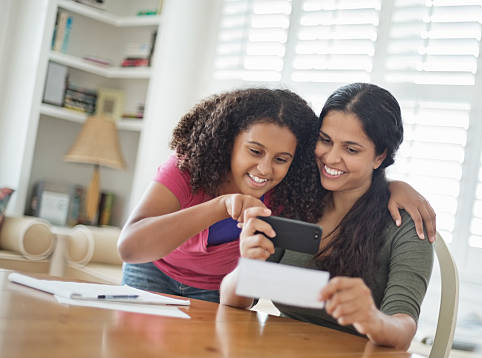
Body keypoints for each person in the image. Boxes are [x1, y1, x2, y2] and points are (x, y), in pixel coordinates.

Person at [119, 88, 434, 304]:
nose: (265, 169)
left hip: (220, 289)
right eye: (254, 151)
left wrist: (392, 184)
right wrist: (220, 206)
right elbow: (131, 247)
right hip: (153, 271)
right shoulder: (191, 166)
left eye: (282, 158)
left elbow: (352, 176)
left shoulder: (291, 187)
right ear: (229, 140)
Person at [221, 83, 433, 350]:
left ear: (380, 156)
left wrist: (372, 318)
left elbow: (403, 330)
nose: (331, 158)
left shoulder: (405, 225)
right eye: (325, 140)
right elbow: (234, 301)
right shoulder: (296, 199)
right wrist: (247, 268)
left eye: (351, 149)